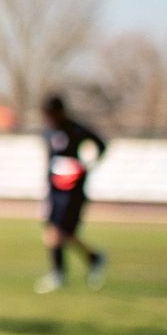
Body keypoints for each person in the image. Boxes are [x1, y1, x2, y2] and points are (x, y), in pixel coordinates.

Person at [36, 94, 110, 293]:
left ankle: (62, 273)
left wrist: (86, 165)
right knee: (55, 232)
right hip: (55, 189)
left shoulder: (75, 129)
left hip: (72, 190)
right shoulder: (48, 132)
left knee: (60, 233)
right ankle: (90, 260)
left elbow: (101, 144)